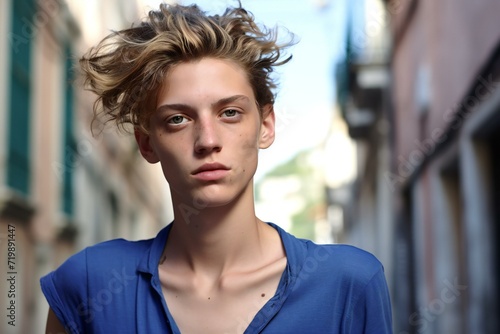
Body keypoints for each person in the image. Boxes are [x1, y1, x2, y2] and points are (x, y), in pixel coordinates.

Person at [41, 2, 392, 333]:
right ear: (147, 142)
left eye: (230, 113)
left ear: (266, 125)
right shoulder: (87, 285)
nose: (207, 140)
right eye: (178, 119)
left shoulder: (349, 284)